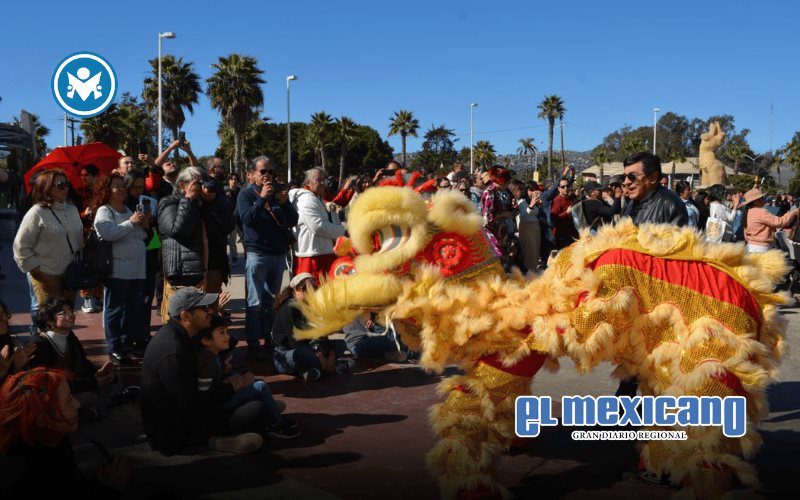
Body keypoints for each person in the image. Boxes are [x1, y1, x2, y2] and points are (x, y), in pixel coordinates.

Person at [141, 287, 263, 455]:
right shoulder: (173, 350)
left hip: (187, 415)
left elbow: (227, 344)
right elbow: (190, 403)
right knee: (256, 407)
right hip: (174, 433)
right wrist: (231, 387)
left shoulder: (182, 334)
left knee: (254, 398)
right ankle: (212, 441)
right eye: (204, 309)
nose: (210, 311)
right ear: (185, 316)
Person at [0, 368, 130, 496]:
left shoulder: (54, 438)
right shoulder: (25, 475)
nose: (77, 404)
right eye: (68, 400)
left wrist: (99, 482)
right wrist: (112, 489)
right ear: (42, 418)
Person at [27, 298, 138, 415]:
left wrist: (99, 373)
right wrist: (93, 382)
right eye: (63, 313)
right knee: (87, 397)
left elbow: (83, 363)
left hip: (74, 384)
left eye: (70, 310)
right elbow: (46, 385)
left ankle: (99, 405)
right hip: (56, 391)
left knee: (111, 380)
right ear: (50, 322)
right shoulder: (39, 345)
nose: (70, 315)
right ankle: (104, 404)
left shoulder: (69, 336)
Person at [195, 315, 300, 439]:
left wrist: (225, 372)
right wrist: (234, 385)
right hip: (217, 411)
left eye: (227, 332)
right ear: (206, 341)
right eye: (222, 333)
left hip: (221, 400)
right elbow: (205, 398)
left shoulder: (213, 355)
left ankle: (271, 412)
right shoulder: (206, 362)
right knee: (260, 387)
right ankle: (277, 425)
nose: (228, 336)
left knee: (257, 383)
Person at [237, 157, 299, 360]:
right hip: (258, 255)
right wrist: (261, 198)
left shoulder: (275, 195)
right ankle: (253, 342)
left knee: (271, 301)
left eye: (270, 172)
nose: (267, 176)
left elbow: (292, 221)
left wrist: (285, 202)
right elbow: (247, 220)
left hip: (278, 255)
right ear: (251, 174)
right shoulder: (245, 195)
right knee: (254, 301)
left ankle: (270, 338)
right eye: (262, 171)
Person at [158, 167, 237, 320]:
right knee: (188, 322)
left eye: (203, 183)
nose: (202, 187)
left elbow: (228, 225)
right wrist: (188, 200)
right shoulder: (169, 203)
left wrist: (215, 200)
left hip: (213, 268)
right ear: (182, 185)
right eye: (197, 183)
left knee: (210, 319)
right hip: (187, 274)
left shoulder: (207, 203)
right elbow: (178, 232)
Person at [93, 173, 150, 365]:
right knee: (114, 310)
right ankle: (115, 347)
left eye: (122, 185)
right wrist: (131, 223)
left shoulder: (128, 209)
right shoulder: (105, 211)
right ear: (107, 190)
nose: (121, 189)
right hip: (117, 270)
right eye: (116, 186)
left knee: (132, 310)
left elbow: (141, 235)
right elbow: (108, 233)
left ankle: (126, 345)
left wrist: (143, 224)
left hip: (137, 270)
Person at [13, 170, 83, 308]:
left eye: (67, 184)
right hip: (47, 275)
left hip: (71, 275)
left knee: (67, 316)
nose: (66, 188)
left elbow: (78, 240)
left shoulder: (72, 209)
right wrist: (37, 270)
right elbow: (21, 246)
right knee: (51, 318)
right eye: (60, 184)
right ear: (47, 187)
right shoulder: (37, 212)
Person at [271, 273, 354, 381]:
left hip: (309, 346)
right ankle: (330, 366)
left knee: (340, 344)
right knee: (302, 355)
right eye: (305, 288)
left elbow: (320, 335)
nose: (311, 291)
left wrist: (330, 354)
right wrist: (320, 355)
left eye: (314, 288)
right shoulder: (290, 307)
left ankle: (312, 370)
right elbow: (296, 343)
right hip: (287, 353)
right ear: (295, 290)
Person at [289, 168, 346, 280]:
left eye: (323, 179)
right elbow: (318, 226)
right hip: (312, 256)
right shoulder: (305, 199)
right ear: (307, 183)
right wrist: (343, 231)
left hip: (320, 253)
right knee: (311, 293)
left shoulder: (316, 197)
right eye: (318, 180)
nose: (322, 183)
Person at [621, 152, 688, 227]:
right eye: (624, 177)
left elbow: (679, 238)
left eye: (632, 176)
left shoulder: (670, 205)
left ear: (653, 177)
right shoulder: (631, 204)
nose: (626, 182)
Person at [742, 187, 799, 252]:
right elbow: (779, 222)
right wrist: (792, 213)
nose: (764, 200)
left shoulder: (749, 212)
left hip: (752, 246)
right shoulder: (760, 212)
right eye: (762, 198)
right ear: (756, 201)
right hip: (761, 247)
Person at [0, 300, 37, 384]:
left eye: (4, 313)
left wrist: (16, 367)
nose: (5, 318)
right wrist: (2, 374)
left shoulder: (6, 339)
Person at [550, 177, 578, 250]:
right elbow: (553, 219)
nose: (566, 188)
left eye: (567, 186)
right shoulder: (557, 201)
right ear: (559, 189)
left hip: (571, 234)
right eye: (563, 187)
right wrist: (566, 212)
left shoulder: (570, 198)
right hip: (561, 236)